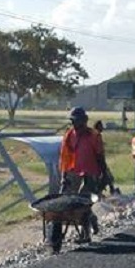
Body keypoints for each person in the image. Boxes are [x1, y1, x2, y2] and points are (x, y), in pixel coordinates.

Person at [49, 106, 106, 251]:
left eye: (77, 121)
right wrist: (63, 176)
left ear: (84, 121)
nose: (74, 124)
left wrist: (103, 174)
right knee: (68, 201)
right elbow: (64, 158)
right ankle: (91, 219)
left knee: (83, 201)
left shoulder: (94, 135)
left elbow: (100, 156)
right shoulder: (69, 135)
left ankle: (85, 234)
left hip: (90, 171)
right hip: (73, 171)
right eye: (72, 121)